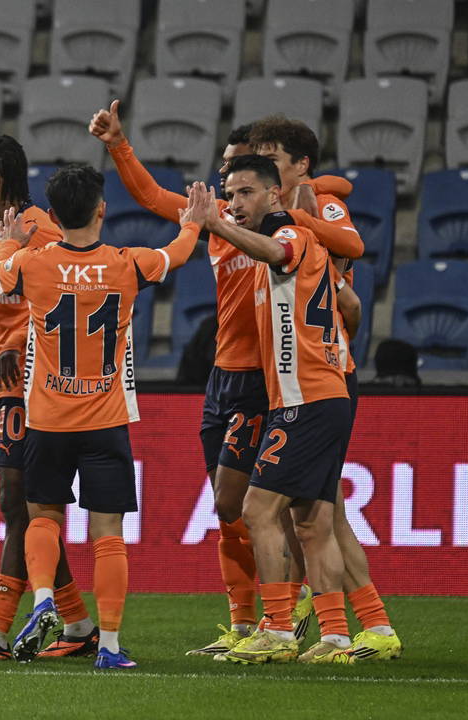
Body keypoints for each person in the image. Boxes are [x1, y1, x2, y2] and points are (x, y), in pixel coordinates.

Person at [89, 101, 364, 656]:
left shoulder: (285, 222)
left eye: (242, 174)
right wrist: (118, 144)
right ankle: (247, 623)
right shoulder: (220, 215)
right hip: (224, 375)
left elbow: (347, 250)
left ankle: (291, 617)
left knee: (279, 506)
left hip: (274, 378)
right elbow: (150, 196)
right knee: (230, 505)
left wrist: (309, 202)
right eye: (226, 177)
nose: (230, 186)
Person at [0, 164, 208, 669]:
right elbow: (176, 254)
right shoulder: (126, 263)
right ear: (102, 210)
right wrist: (194, 222)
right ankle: (108, 646)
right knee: (107, 533)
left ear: (52, 215)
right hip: (105, 422)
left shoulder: (31, 263)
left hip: (47, 420)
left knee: (43, 516)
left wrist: (9, 240)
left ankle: (43, 599)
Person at [250, 114, 403, 661]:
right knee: (321, 512)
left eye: (273, 157)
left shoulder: (319, 202)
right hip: (310, 370)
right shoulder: (278, 217)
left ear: (300, 165)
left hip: (320, 374)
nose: (265, 166)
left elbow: (352, 252)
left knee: (311, 513)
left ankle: (316, 625)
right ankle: (367, 626)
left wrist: (298, 216)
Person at [194, 154, 354, 664]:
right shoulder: (297, 245)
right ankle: (336, 636)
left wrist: (217, 223)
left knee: (257, 510)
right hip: (317, 395)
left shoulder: (291, 236)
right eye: (230, 195)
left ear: (273, 195)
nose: (235, 202)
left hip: (306, 400)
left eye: (245, 193)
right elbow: (349, 305)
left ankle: (279, 629)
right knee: (311, 522)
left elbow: (276, 249)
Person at [0, 135, 97, 662]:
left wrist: (16, 342)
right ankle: (78, 625)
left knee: (19, 501)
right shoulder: (0, 230)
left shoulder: (39, 228)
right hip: (7, 384)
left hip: (36, 387)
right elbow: (5, 302)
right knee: (27, 506)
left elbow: (67, 302)